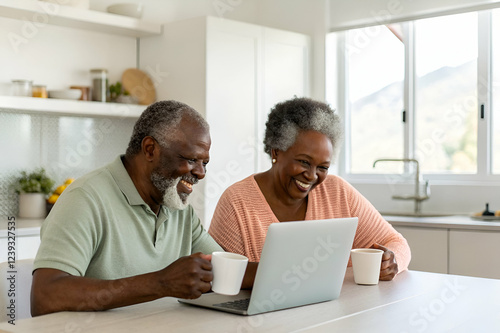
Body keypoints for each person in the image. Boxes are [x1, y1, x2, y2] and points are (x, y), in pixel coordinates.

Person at [31, 100, 256, 316]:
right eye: (191, 159)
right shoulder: (85, 198)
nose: (201, 173)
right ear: (150, 149)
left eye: (204, 163)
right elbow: (45, 296)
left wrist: (286, 273)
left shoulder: (177, 205)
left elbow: (225, 270)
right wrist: (160, 283)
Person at [209, 97, 411, 281]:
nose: (312, 175)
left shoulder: (337, 192)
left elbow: (396, 242)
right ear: (276, 152)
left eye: (323, 167)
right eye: (304, 162)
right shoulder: (237, 201)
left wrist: (391, 262)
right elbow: (220, 276)